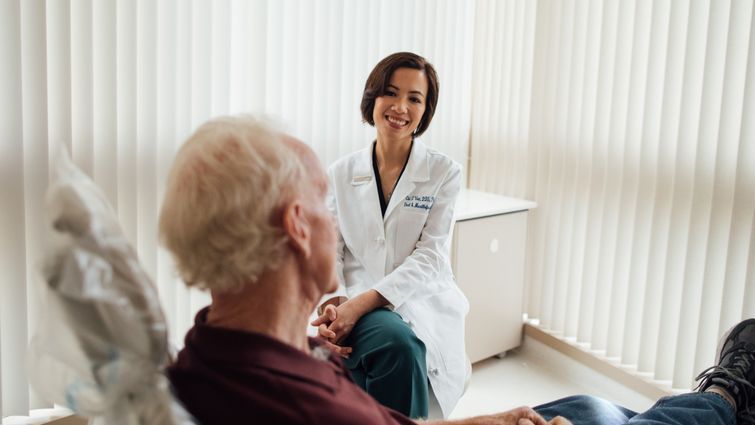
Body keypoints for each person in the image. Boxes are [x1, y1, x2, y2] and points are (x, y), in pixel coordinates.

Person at [160, 115, 755, 425]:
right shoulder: (308, 408)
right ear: (296, 224)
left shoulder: (207, 351)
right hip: (367, 316)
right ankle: (727, 399)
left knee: (593, 409)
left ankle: (716, 402)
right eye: (323, 204)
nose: (334, 220)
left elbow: (430, 257)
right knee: (607, 420)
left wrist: (493, 421)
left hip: (395, 303)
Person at [310, 51, 468, 419]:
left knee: (397, 348)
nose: (400, 107)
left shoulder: (444, 172)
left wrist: (357, 307)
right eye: (391, 93)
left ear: (425, 109)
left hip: (416, 299)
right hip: (351, 294)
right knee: (391, 350)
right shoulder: (340, 172)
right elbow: (329, 250)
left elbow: (430, 256)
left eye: (414, 98)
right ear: (373, 98)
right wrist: (334, 306)